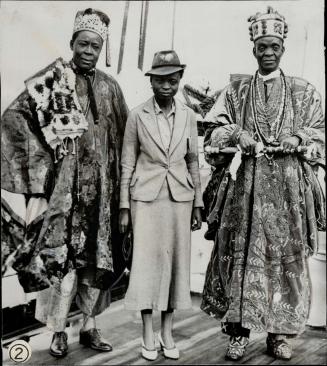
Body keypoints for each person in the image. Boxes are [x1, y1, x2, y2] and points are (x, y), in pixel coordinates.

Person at [1, 8, 128, 358]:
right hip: (64, 191)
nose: (89, 50)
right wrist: (42, 166)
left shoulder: (110, 87)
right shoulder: (51, 82)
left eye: (95, 46)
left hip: (102, 193)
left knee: (95, 262)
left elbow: (125, 137)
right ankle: (57, 330)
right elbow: (14, 119)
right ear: (72, 42)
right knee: (62, 260)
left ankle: (89, 324)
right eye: (83, 43)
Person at [201, 6, 325, 362]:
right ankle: (237, 334)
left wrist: (299, 136)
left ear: (282, 48)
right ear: (253, 48)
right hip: (247, 190)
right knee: (238, 260)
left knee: (284, 262)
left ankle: (280, 335)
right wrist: (238, 134)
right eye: (262, 47)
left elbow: (321, 129)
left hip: (288, 193)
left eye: (274, 46)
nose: (268, 52)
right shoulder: (237, 90)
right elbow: (213, 129)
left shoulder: (303, 91)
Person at [119, 50, 203, 361]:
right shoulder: (136, 115)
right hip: (145, 198)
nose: (166, 86)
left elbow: (193, 160)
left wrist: (198, 203)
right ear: (151, 82)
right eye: (160, 80)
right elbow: (127, 163)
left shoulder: (189, 116)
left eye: (172, 80)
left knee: (175, 266)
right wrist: (123, 207)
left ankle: (167, 330)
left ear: (180, 81)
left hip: (179, 199)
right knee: (145, 265)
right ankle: (146, 331)